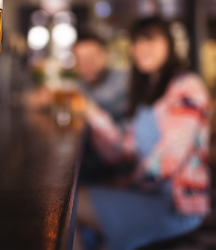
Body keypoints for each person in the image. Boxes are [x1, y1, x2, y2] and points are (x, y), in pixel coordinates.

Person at [74, 17, 211, 250]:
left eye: (150, 39)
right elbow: (121, 151)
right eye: (136, 42)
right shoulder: (148, 91)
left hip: (177, 205)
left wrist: (122, 183)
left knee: (68, 206)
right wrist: (92, 114)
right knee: (70, 203)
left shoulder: (186, 86)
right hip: (148, 192)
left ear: (169, 43)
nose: (141, 48)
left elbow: (168, 160)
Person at [72, 35, 130, 184]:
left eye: (91, 57)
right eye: (80, 59)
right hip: (94, 168)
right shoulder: (82, 84)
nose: (86, 64)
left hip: (122, 174)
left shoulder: (125, 80)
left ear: (106, 55)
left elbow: (105, 101)